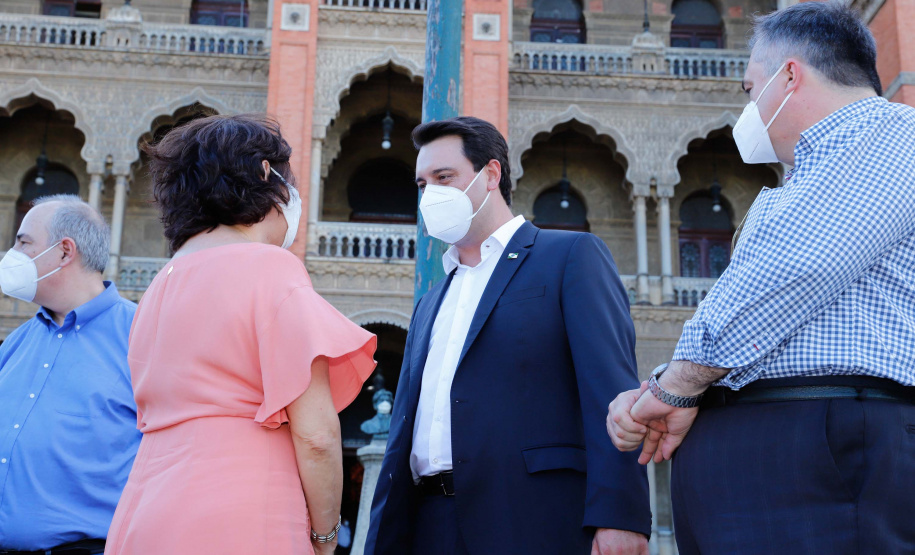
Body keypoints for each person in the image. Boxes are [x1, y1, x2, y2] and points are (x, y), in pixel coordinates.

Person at [606, 4, 915, 554]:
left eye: (751, 89)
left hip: (820, 453)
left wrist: (674, 384)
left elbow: (800, 268)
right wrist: (674, 387)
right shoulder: (811, 177)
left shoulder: (889, 132)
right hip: (785, 456)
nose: (748, 107)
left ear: (790, 75)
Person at [365, 117, 651, 555]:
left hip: (532, 519)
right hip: (428, 524)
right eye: (423, 184)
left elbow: (610, 392)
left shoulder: (568, 257)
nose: (431, 195)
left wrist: (620, 516)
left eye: (445, 177)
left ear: (491, 174)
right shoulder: (431, 302)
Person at [104, 115, 377, 555]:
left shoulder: (160, 283)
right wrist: (326, 538)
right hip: (243, 507)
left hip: (145, 507)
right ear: (266, 174)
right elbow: (318, 437)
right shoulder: (269, 267)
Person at [0, 195, 141, 555]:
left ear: (64, 252)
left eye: (23, 241)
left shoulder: (141, 337)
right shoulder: (15, 343)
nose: (11, 252)